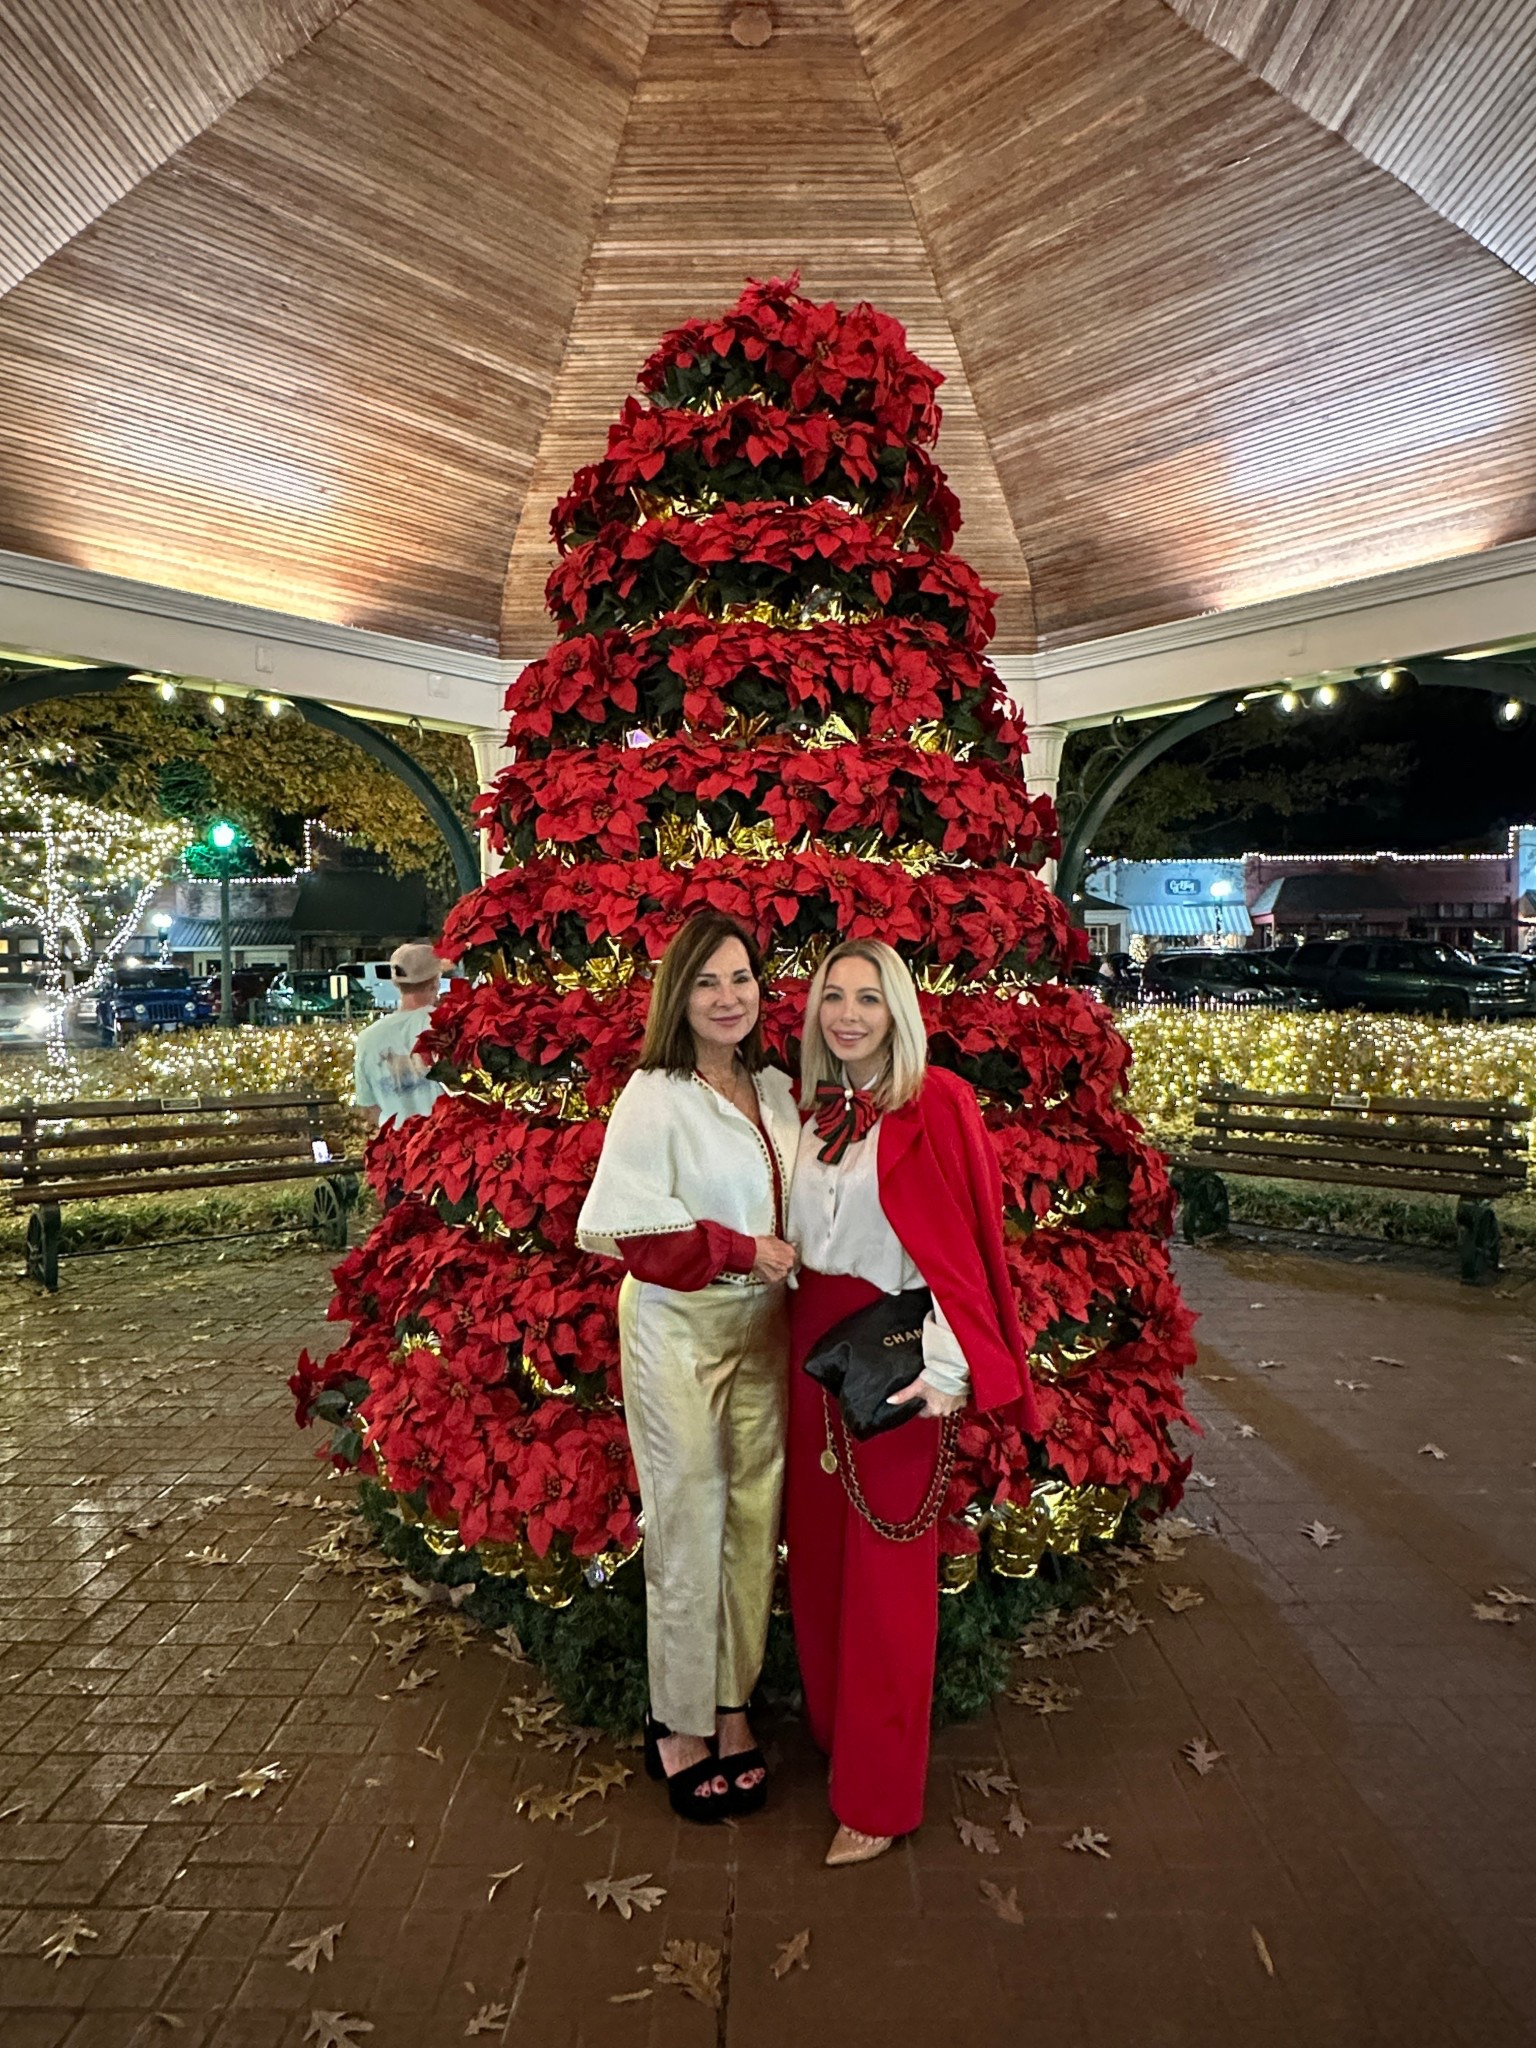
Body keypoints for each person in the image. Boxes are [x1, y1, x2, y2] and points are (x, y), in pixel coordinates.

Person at [784, 939, 1039, 1867]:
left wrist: (948, 1370)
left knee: (890, 1574)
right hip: (803, 1350)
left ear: (899, 1011)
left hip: (893, 1354)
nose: (848, 1015)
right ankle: (835, 1736)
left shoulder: (939, 1104)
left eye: (868, 999)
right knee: (817, 1559)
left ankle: (879, 1798)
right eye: (832, 997)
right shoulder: (807, 1110)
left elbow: (967, 1248)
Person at [576, 912, 800, 1823]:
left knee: (754, 1515)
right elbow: (639, 1235)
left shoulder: (778, 1089)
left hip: (765, 1332)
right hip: (678, 1327)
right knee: (689, 1513)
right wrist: (748, 1248)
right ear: (680, 994)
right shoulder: (654, 1096)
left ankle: (731, 1703)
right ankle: (676, 1721)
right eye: (707, 982)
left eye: (741, 978)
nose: (727, 997)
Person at [352, 942, 453, 1130]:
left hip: (398, 1147)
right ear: (435, 982)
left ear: (396, 983)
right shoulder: (448, 1026)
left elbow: (368, 1107)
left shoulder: (368, 1038)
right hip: (447, 1143)